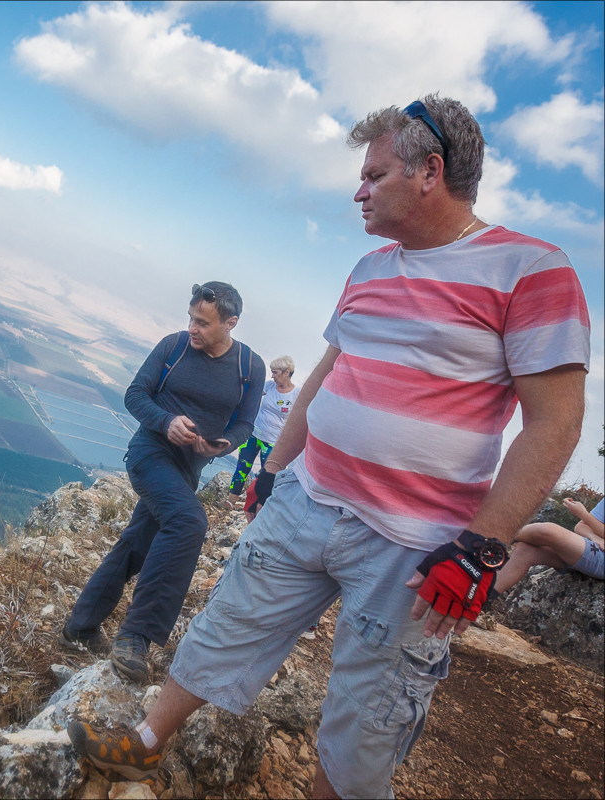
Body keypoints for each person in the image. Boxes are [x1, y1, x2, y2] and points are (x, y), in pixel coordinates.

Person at [68, 94, 589, 797]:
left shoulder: (530, 269)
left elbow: (554, 422)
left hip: (415, 545)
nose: (359, 190)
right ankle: (146, 742)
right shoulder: (371, 269)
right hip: (309, 498)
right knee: (228, 622)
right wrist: (276, 470)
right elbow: (326, 375)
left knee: (369, 714)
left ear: (429, 171)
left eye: (374, 176)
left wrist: (478, 548)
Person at [59, 281, 265, 684]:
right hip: (150, 455)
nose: (192, 327)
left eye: (202, 323)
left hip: (189, 470)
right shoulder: (173, 346)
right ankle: (136, 636)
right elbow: (135, 395)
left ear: (231, 323)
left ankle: (80, 627)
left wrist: (226, 444)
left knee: (138, 544)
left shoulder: (250, 367)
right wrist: (165, 421)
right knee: (189, 522)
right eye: (190, 318)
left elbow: (245, 422)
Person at [226, 355, 300, 509]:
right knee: (242, 468)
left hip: (273, 441)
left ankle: (257, 506)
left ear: (287, 372)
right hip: (253, 435)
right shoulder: (269, 386)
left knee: (265, 476)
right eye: (271, 372)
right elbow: (248, 396)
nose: (272, 375)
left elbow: (299, 418)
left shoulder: (296, 394)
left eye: (275, 372)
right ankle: (229, 502)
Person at [495, 498, 604, 591]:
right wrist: (594, 537)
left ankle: (496, 535)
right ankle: (482, 597)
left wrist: (583, 514)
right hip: (592, 550)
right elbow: (580, 527)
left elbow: (586, 520)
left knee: (548, 531)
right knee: (525, 550)